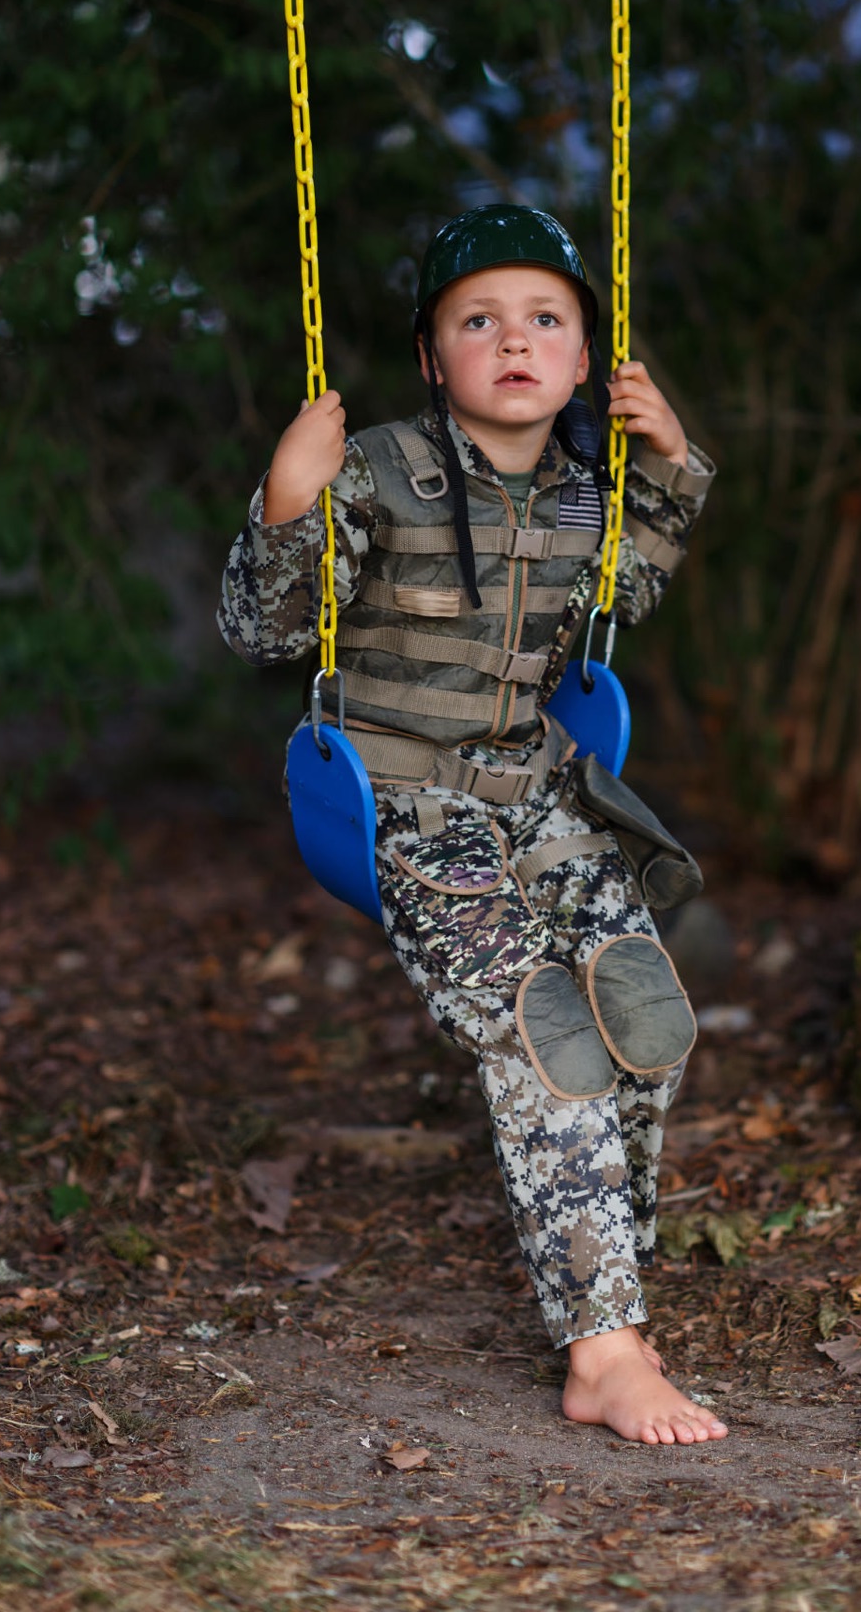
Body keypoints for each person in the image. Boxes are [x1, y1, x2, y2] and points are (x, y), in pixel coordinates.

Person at [218, 204, 727, 1446]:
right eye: (478, 319)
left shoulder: (582, 489)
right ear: (432, 357)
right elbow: (262, 631)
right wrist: (288, 500)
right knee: (542, 1027)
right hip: (405, 802)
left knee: (647, 1020)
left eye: (545, 318)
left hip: (539, 791)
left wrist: (669, 466)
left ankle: (612, 1287)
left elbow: (623, 595)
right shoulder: (377, 469)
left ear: (583, 358)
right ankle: (602, 1350)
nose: (514, 339)